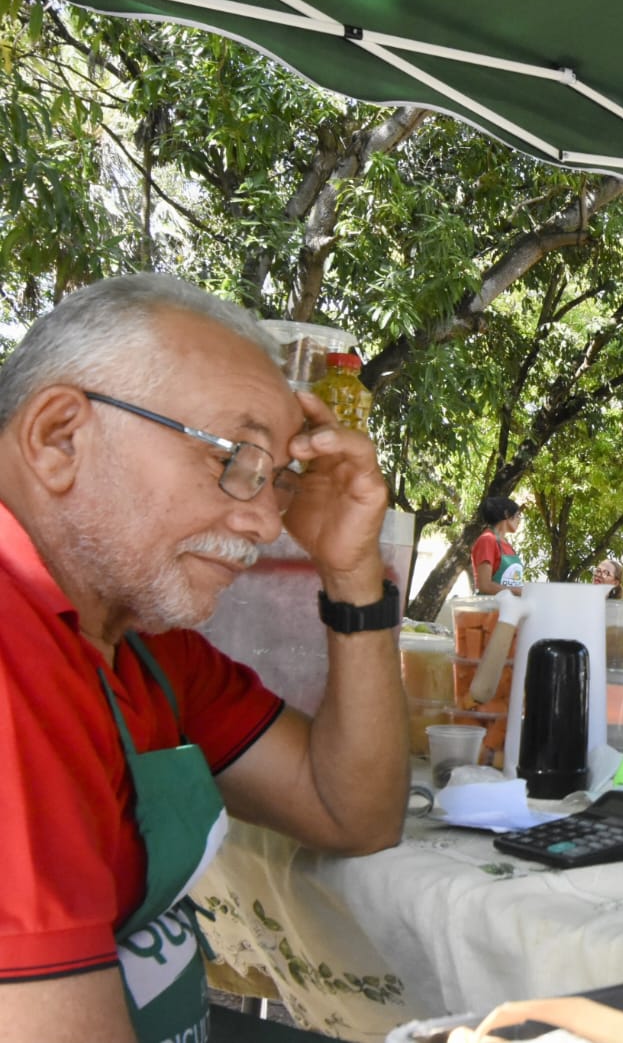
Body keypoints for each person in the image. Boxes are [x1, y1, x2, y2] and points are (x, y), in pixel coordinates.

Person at [0, 274, 407, 1042]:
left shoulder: (139, 640)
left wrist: (353, 572)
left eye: (278, 481)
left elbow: (351, 810)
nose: (265, 523)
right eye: (234, 457)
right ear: (59, 437)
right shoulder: (11, 666)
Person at [470, 495, 525, 595]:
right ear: (506, 514)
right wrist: (518, 591)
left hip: (509, 604)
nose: (519, 520)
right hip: (491, 605)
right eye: (518, 515)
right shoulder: (487, 540)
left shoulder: (507, 545)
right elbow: (485, 586)